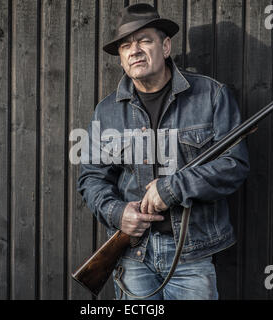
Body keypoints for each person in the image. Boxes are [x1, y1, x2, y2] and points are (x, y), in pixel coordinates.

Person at [77, 3, 249, 300]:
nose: (135, 50)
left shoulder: (211, 96)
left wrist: (171, 189)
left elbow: (234, 165)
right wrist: (117, 213)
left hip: (191, 256)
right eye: (126, 46)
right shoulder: (106, 112)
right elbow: (91, 178)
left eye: (145, 40)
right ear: (121, 59)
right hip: (133, 255)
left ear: (166, 46)